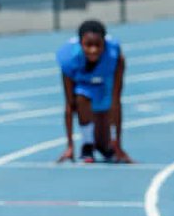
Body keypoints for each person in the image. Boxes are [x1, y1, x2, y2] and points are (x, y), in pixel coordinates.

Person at [55, 19, 132, 164]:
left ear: (104, 43)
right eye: (88, 45)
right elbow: (69, 105)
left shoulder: (115, 57)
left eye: (98, 45)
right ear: (80, 43)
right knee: (81, 98)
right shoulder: (69, 59)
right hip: (83, 91)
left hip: (104, 88)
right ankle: (87, 145)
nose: (93, 50)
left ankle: (106, 145)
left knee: (104, 147)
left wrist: (117, 142)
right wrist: (70, 146)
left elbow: (116, 101)